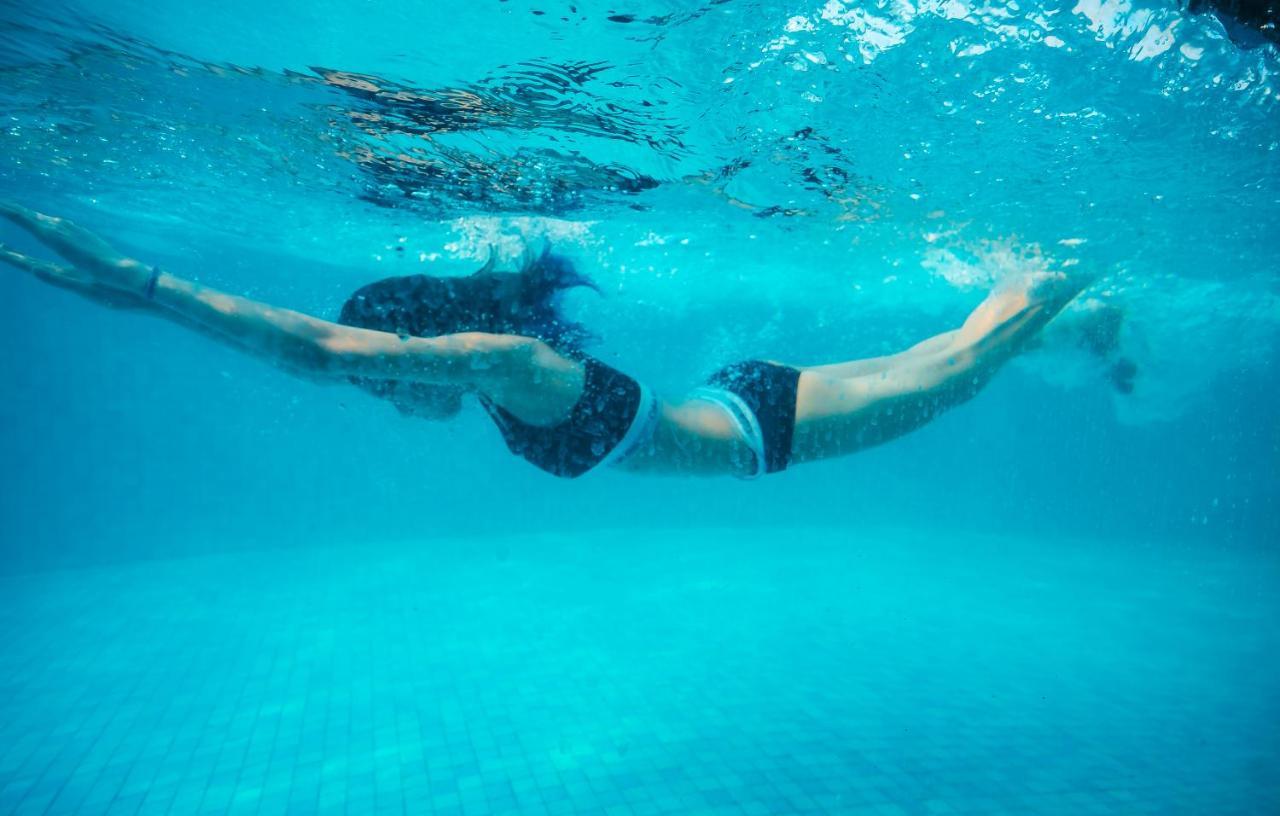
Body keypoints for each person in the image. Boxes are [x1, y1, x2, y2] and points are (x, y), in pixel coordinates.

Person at [0, 201, 1089, 479]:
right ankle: (1081, 311)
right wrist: (134, 298)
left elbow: (321, 353)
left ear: (423, 344)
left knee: (960, 364)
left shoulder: (509, 364)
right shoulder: (503, 370)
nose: (389, 398)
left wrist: (147, 282)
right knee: (958, 354)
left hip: (760, 429)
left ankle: (1083, 265)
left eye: (394, 377)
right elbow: (344, 359)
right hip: (728, 401)